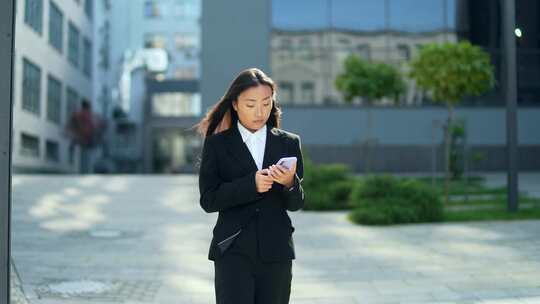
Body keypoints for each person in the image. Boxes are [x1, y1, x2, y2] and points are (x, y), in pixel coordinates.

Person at [194, 68, 305, 304]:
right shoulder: (217, 145)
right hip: (233, 251)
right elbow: (208, 200)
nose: (259, 112)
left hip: (276, 252)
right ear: (235, 104)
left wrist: (289, 185)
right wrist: (250, 185)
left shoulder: (288, 143)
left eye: (266, 103)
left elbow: (296, 204)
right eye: (251, 104)